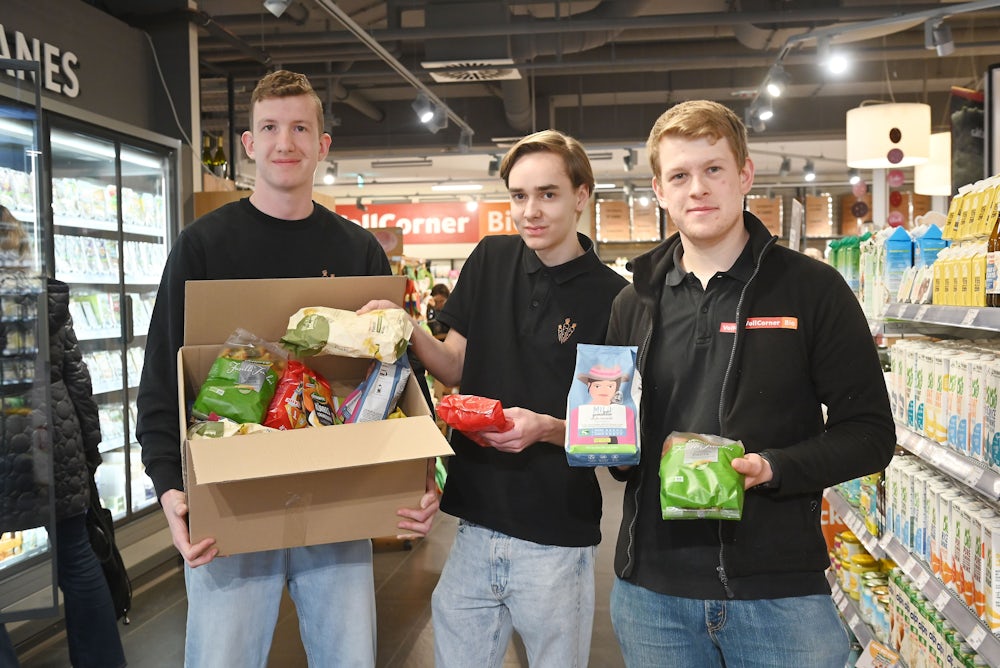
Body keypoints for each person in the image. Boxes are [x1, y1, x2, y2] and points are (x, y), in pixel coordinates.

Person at [604, 99, 896, 667]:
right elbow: (620, 447)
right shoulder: (632, 300)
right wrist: (604, 443)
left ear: (745, 174)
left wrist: (775, 468)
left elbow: (870, 433)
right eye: (679, 176)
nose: (698, 189)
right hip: (653, 596)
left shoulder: (812, 290)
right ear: (660, 191)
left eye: (713, 169)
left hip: (780, 595)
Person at [135, 70, 392, 667]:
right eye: (270, 128)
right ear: (248, 145)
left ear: (323, 145)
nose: (286, 143)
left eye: (302, 128)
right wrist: (170, 486)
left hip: (335, 496)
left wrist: (416, 479)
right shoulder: (201, 247)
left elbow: (392, 379)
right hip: (231, 496)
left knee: (350, 658)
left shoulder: (360, 252)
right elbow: (161, 378)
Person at [362, 129, 628, 667]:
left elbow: (609, 431)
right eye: (518, 196)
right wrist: (404, 326)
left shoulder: (613, 297)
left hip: (556, 534)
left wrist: (546, 427)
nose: (530, 211)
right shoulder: (489, 259)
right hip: (474, 523)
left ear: (581, 195)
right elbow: (454, 365)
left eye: (548, 194)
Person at [0, 206, 126, 667]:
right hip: (51, 437)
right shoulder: (43, 298)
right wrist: (90, 450)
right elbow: (78, 379)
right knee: (75, 554)